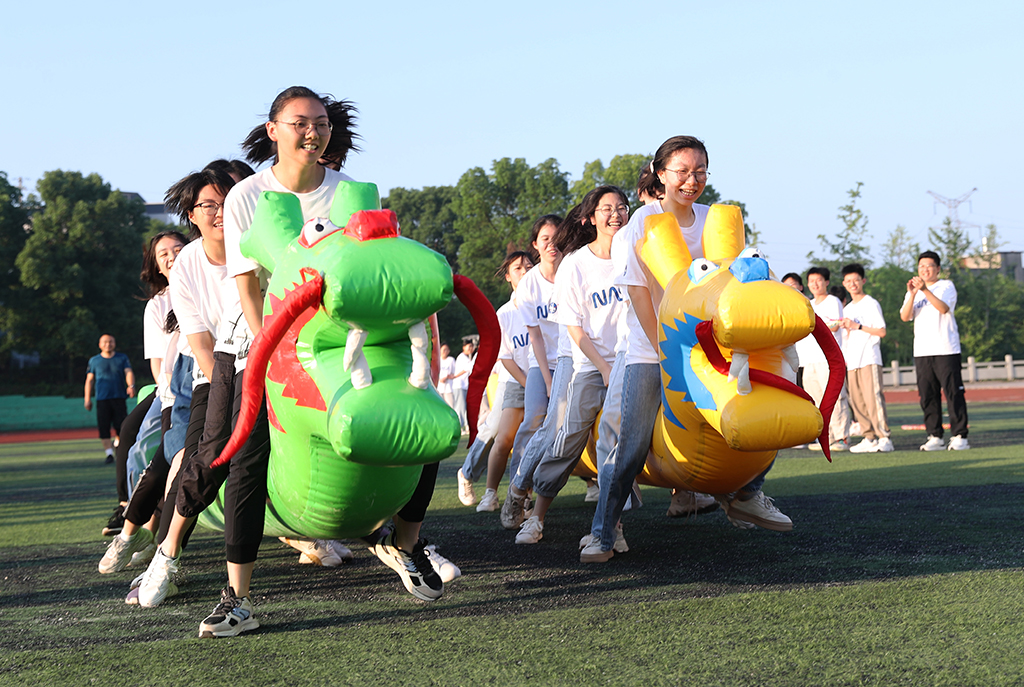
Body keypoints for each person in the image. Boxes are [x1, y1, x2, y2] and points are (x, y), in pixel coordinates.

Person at [583, 136, 790, 564]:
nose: (691, 180)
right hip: (650, 347)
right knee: (633, 443)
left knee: (768, 408)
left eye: (700, 171)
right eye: (682, 171)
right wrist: (665, 347)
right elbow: (639, 294)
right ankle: (603, 531)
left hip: (713, 347)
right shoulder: (642, 222)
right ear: (661, 174)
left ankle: (748, 493)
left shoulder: (718, 220)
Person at [514, 187, 629, 545]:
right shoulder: (576, 264)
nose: (615, 214)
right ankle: (536, 516)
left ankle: (612, 527)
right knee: (566, 437)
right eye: (606, 208)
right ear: (591, 217)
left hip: (630, 359)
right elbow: (575, 329)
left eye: (621, 207)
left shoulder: (636, 255)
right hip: (587, 363)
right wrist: (604, 368)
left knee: (618, 439)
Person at [97, 230, 188, 565]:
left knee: (168, 454)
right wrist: (167, 393)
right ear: (156, 264)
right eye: (163, 252)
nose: (171, 254)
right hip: (168, 389)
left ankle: (151, 534)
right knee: (134, 445)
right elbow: (157, 362)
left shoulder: (206, 282)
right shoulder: (158, 304)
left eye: (178, 247)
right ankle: (133, 517)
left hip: (201, 383)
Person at [500, 214, 568, 527]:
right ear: (535, 245)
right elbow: (535, 337)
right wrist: (549, 378)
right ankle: (519, 490)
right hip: (541, 360)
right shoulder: (529, 284)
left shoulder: (574, 270)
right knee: (534, 419)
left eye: (557, 238)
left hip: (575, 359)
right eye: (545, 240)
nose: (552, 245)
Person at [472, 250, 533, 512]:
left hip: (550, 377)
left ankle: (525, 496)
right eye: (518, 268)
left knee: (535, 441)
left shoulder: (550, 300)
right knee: (504, 437)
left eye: (529, 266)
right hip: (518, 380)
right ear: (508, 277)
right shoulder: (505, 313)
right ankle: (490, 493)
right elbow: (505, 356)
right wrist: (530, 383)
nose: (525, 271)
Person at [899, 250, 969, 451]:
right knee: (927, 394)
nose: (925, 270)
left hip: (946, 348)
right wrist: (913, 294)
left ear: (937, 269)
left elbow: (944, 309)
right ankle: (935, 435)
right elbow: (905, 316)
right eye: (921, 267)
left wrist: (925, 291)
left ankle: (959, 435)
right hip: (922, 351)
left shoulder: (945, 286)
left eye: (929, 266)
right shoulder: (913, 291)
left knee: (953, 392)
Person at [797, 267, 852, 452]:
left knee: (835, 398)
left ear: (826, 282)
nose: (815, 284)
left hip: (828, 359)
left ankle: (842, 438)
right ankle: (824, 438)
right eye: (811, 281)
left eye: (818, 280)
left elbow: (836, 325)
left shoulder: (832, 301)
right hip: (809, 359)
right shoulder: (807, 303)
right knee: (816, 400)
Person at [840, 263, 893, 453]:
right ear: (844, 283)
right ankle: (869, 437)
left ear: (863, 281)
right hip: (852, 361)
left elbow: (881, 331)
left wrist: (858, 326)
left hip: (869, 358)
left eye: (855, 280)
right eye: (848, 281)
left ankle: (884, 437)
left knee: (873, 399)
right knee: (857, 401)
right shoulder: (846, 309)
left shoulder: (870, 303)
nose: (852, 284)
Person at [85, 335, 135, 464]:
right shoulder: (94, 360)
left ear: (114, 343)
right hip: (102, 399)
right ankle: (109, 454)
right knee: (104, 427)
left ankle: (118, 447)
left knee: (121, 426)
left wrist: (131, 386)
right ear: (100, 344)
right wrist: (87, 399)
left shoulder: (122, 358)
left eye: (111, 341)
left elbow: (128, 372)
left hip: (119, 397)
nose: (108, 344)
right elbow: (89, 380)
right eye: (105, 342)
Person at [452, 340, 476, 434]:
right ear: (463, 347)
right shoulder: (462, 357)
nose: (470, 348)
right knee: (460, 408)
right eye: (468, 346)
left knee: (466, 408)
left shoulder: (468, 358)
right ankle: (458, 428)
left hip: (465, 386)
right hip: (459, 386)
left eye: (472, 346)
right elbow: (466, 369)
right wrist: (455, 376)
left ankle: (466, 427)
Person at [438, 344, 456, 413]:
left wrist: (447, 377)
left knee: (450, 405)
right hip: (439, 387)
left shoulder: (451, 360)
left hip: (448, 387)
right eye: (443, 350)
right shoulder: (438, 360)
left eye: (447, 350)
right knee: (440, 405)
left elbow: (455, 373)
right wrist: (440, 379)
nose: (445, 352)